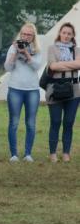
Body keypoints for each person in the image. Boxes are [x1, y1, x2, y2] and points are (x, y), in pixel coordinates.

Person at [4, 23, 41, 163]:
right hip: (15, 88)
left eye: (28, 35)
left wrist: (26, 53)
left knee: (30, 123)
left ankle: (28, 154)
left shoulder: (37, 50)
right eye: (23, 34)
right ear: (20, 34)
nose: (25, 37)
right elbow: (7, 67)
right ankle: (14, 154)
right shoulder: (12, 48)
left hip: (32, 89)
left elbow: (37, 66)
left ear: (33, 37)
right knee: (14, 122)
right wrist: (14, 53)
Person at [44, 22, 80, 163]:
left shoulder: (77, 50)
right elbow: (52, 66)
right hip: (55, 89)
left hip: (74, 91)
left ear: (72, 36)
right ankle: (52, 153)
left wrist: (61, 65)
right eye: (64, 33)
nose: (66, 36)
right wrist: (70, 65)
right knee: (55, 121)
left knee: (69, 122)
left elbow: (79, 64)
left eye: (69, 34)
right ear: (60, 33)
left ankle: (66, 153)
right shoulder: (52, 48)